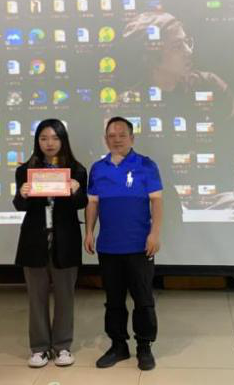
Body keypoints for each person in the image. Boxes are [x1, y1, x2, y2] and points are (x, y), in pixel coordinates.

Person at [119, 10, 234, 210]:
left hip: (219, 202)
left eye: (187, 42)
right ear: (150, 57)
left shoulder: (210, 85)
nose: (188, 51)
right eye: (177, 46)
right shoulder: (128, 106)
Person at [84, 116, 163, 371]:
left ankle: (144, 346)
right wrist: (89, 232)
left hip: (139, 246)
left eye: (122, 135)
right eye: (111, 135)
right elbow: (93, 203)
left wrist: (154, 234)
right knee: (114, 301)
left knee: (143, 299)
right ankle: (118, 345)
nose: (116, 139)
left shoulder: (146, 165)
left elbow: (157, 202)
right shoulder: (98, 168)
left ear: (132, 138)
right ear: (105, 139)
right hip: (109, 247)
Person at [13, 119, 88, 368]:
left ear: (63, 140)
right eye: (44, 138)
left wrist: (77, 190)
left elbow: (81, 203)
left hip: (65, 240)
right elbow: (20, 206)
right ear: (37, 141)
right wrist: (22, 194)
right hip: (34, 240)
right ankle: (40, 348)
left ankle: (63, 347)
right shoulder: (25, 170)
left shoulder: (77, 170)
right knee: (36, 298)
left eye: (55, 138)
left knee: (65, 296)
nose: (49, 143)